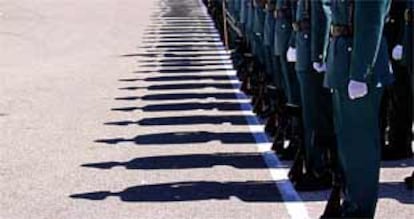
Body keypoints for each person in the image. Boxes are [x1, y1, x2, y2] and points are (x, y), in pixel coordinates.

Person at [321, 0, 394, 217]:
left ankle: (360, 210)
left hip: (359, 66)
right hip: (344, 60)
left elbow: (371, 22)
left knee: (359, 148)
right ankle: (351, 204)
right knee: (348, 146)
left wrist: (360, 73)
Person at [381, 0, 413, 160]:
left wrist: (401, 41)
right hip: (392, 37)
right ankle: (397, 141)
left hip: (403, 39)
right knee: (396, 95)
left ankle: (400, 144)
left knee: (402, 95)